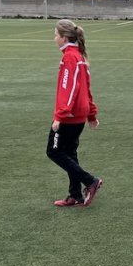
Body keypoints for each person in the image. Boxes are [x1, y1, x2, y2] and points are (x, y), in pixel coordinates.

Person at [47, 19, 102, 208]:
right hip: (78, 115)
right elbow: (86, 87)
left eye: (56, 35)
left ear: (64, 38)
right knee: (69, 152)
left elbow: (68, 88)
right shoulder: (78, 55)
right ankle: (75, 195)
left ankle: (90, 181)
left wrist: (60, 116)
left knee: (54, 151)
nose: (54, 38)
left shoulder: (70, 57)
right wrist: (91, 115)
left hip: (69, 117)